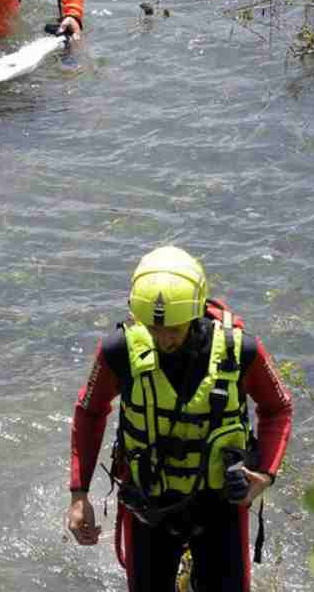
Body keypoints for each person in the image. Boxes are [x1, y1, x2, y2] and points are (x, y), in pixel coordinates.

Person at [66, 246, 293, 591]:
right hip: (149, 507)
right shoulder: (119, 352)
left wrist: (264, 475)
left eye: (173, 327)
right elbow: (89, 412)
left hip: (221, 507)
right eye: (153, 327)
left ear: (196, 311)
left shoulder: (240, 351)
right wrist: (79, 495)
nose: (163, 337)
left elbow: (278, 409)